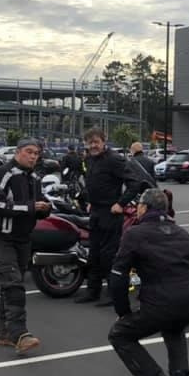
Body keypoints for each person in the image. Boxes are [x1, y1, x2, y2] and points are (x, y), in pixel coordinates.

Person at [107, 188, 189, 376]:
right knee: (174, 325)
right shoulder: (181, 233)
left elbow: (118, 276)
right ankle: (179, 375)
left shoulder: (134, 234)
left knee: (119, 334)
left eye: (139, 205)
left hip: (159, 303)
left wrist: (123, 312)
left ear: (144, 208)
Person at [0, 138, 50, 355]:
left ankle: (5, 333)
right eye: (29, 152)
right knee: (13, 285)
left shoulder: (34, 178)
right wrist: (30, 207)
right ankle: (19, 334)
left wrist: (44, 208)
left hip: (23, 239)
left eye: (36, 153)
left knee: (10, 287)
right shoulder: (3, 173)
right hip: (1, 239)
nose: (33, 156)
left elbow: (37, 203)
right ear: (18, 152)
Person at [74, 127, 139, 305]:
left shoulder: (114, 159)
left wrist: (121, 203)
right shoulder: (89, 159)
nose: (93, 145)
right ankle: (92, 291)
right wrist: (90, 201)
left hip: (111, 213)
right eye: (89, 142)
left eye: (96, 142)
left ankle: (113, 294)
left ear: (104, 141)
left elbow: (134, 183)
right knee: (94, 253)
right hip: (95, 211)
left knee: (109, 255)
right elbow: (92, 183)